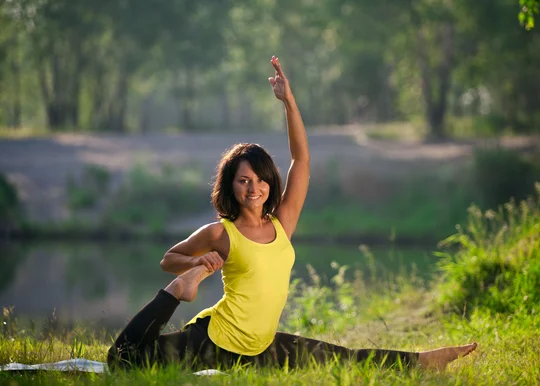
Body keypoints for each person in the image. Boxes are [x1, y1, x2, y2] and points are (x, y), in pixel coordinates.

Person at [107, 56, 477, 372]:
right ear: (230, 187)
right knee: (123, 361)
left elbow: (301, 159)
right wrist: (195, 266)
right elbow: (168, 259)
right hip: (215, 341)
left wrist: (289, 102)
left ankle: (423, 361)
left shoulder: (282, 224)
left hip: (262, 346)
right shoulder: (222, 233)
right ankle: (175, 294)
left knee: (341, 359)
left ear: (271, 182)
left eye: (260, 180)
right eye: (243, 181)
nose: (254, 189)